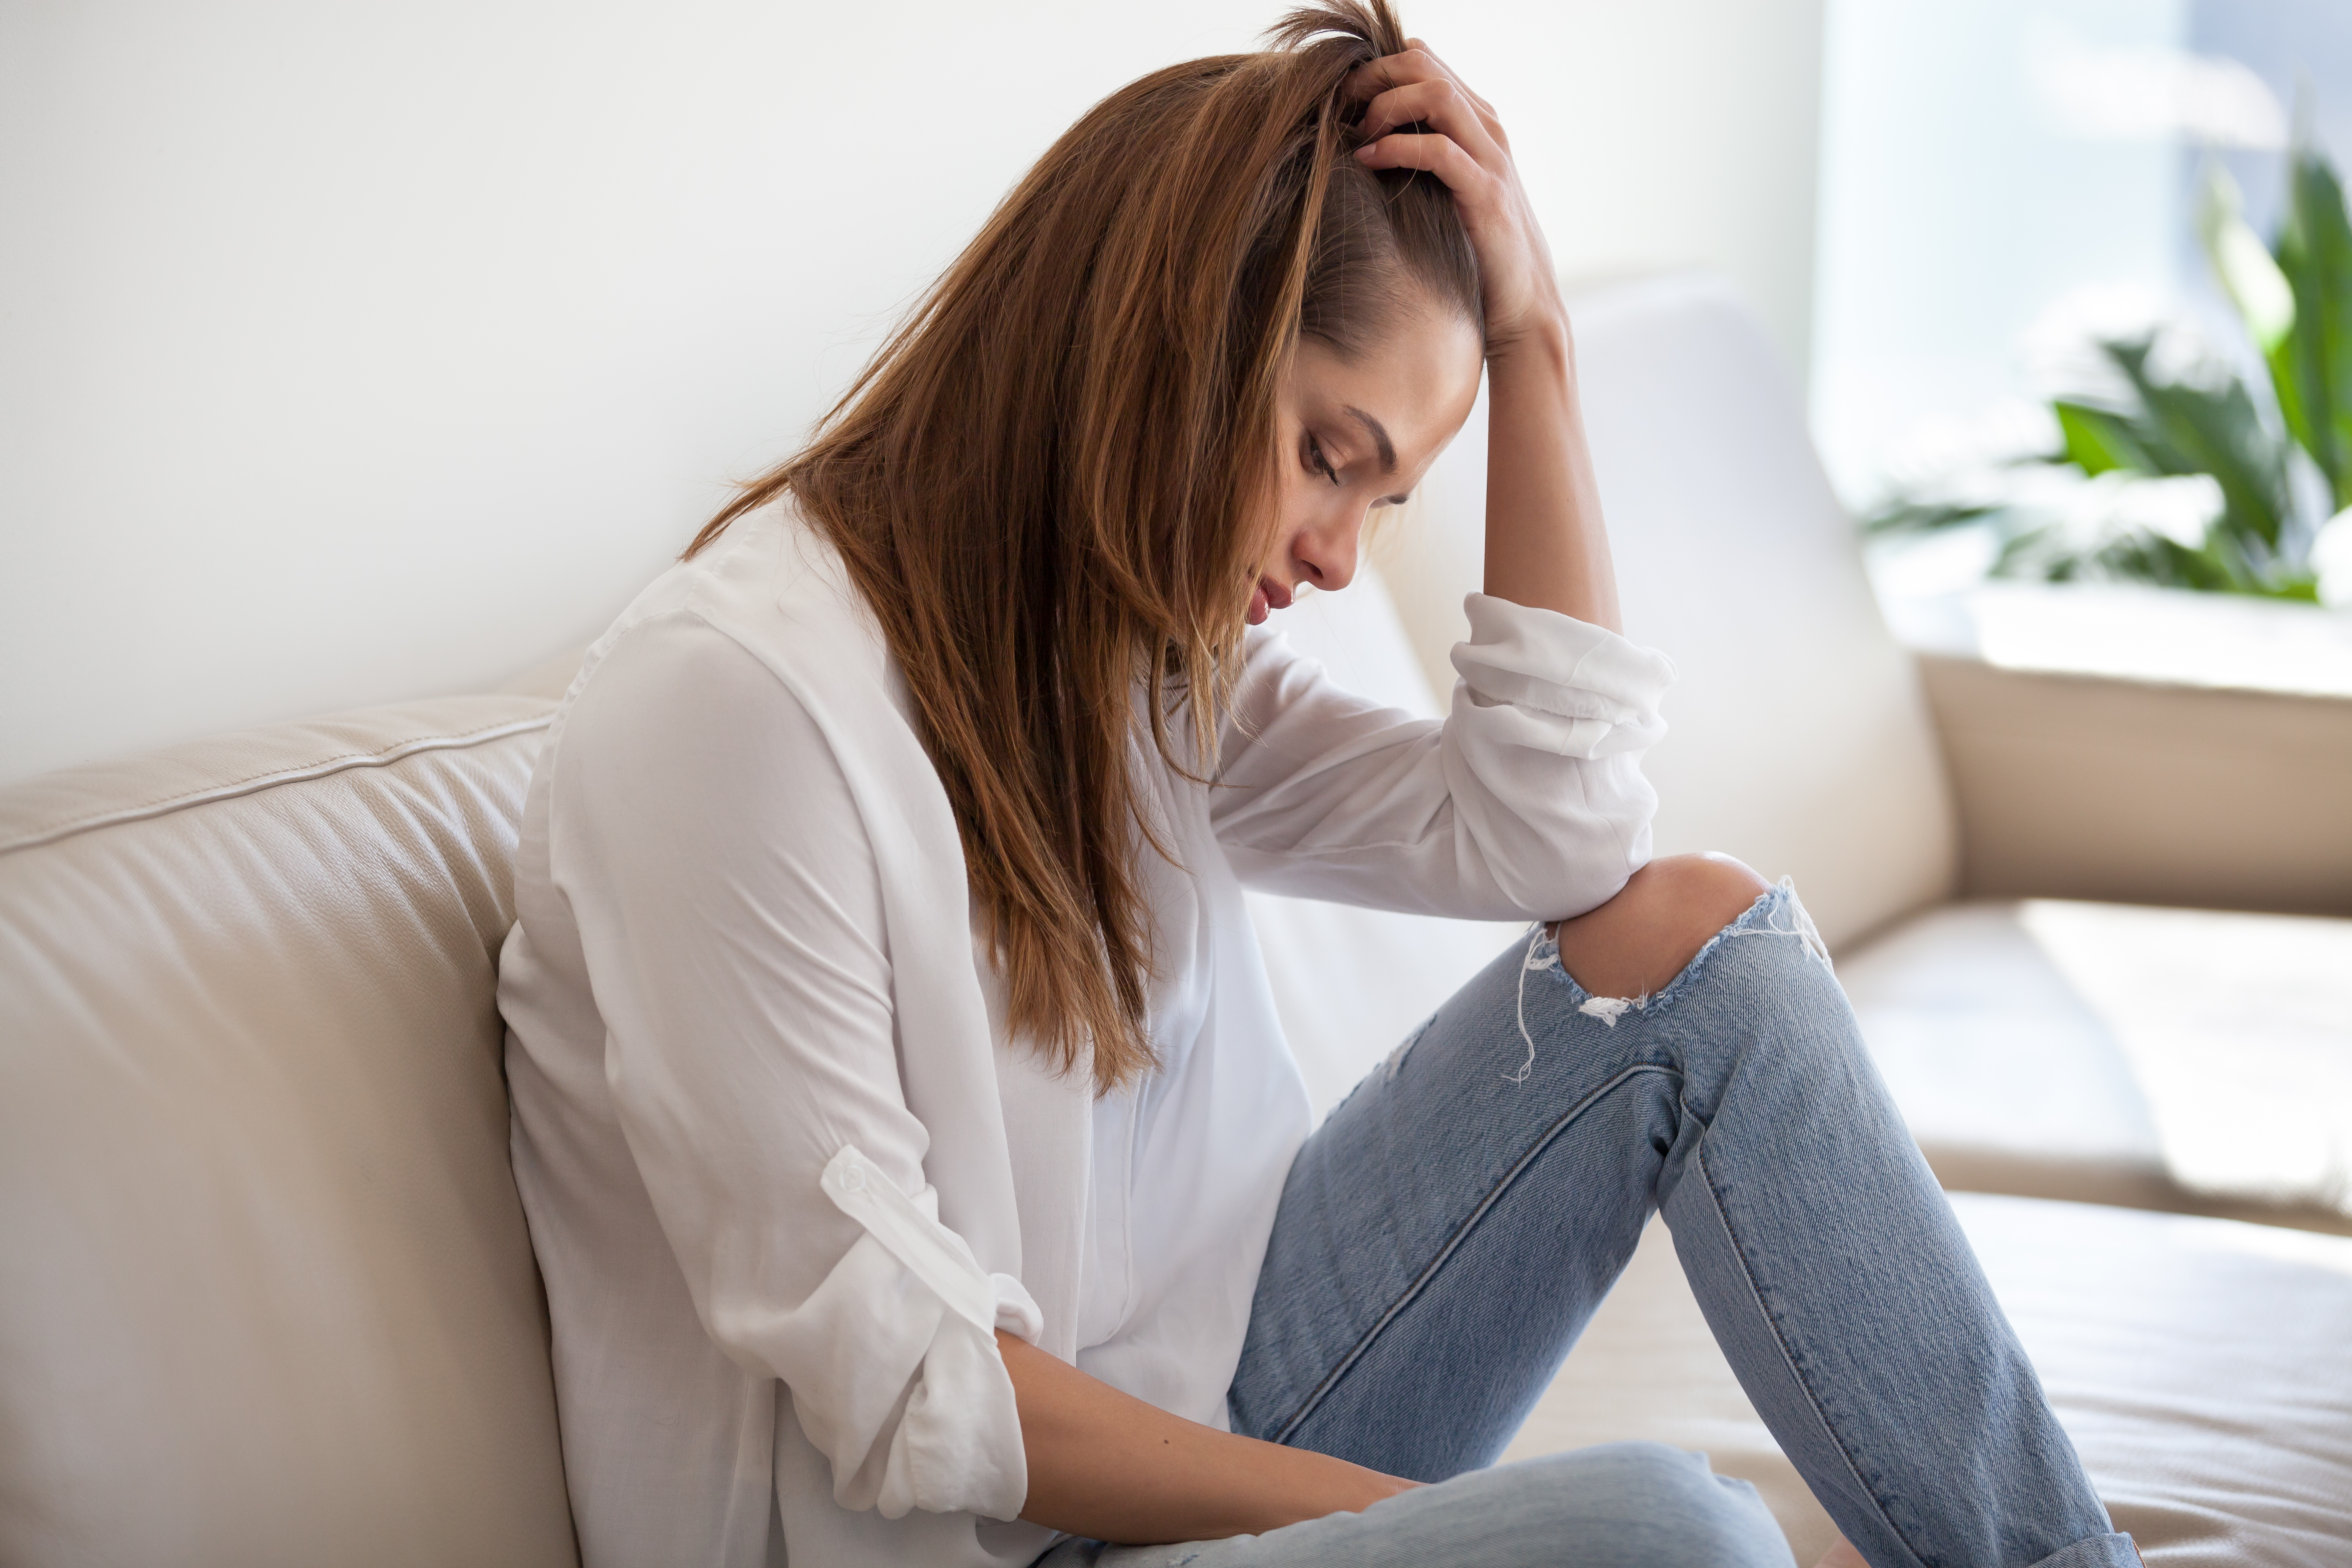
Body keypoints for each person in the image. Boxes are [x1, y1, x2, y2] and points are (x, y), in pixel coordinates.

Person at [495, 4, 2141, 1565]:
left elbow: (1560, 836)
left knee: (1709, 954)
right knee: (1684, 1539)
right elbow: (921, 1399)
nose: (1340, 560)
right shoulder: (733, 709)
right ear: (1163, 346)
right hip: (989, 1530)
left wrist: (1539, 334)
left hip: (1220, 1394)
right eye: (1326, 455)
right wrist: (1395, 1527)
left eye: (1387, 498)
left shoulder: (1134, 651)